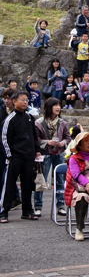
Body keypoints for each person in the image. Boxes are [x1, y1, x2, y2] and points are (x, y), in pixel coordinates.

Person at [0, 91, 40, 223]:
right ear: (14, 101)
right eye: (22, 99)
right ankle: (3, 212)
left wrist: (36, 151)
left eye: (26, 100)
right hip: (15, 157)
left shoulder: (29, 117)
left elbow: (34, 136)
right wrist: (9, 156)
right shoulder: (10, 119)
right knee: (9, 185)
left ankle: (27, 211)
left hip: (29, 157)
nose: (25, 102)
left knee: (28, 184)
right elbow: (5, 138)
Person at [33, 97, 71, 216]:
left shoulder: (62, 122)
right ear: (49, 107)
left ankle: (60, 205)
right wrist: (46, 142)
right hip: (44, 154)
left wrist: (63, 143)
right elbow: (36, 139)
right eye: (55, 105)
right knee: (41, 180)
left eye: (59, 105)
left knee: (60, 180)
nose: (58, 107)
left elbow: (67, 137)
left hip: (58, 153)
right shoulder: (39, 122)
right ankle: (38, 206)